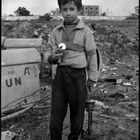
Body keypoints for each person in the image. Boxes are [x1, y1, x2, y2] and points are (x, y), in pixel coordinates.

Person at [45, 0, 100, 139]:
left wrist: (92, 79)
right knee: (56, 112)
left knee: (77, 112)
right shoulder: (55, 31)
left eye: (72, 9)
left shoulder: (86, 31)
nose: (68, 12)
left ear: (79, 10)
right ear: (60, 10)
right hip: (60, 76)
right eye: (64, 9)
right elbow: (47, 51)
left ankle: (74, 137)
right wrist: (52, 57)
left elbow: (92, 55)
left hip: (78, 76)